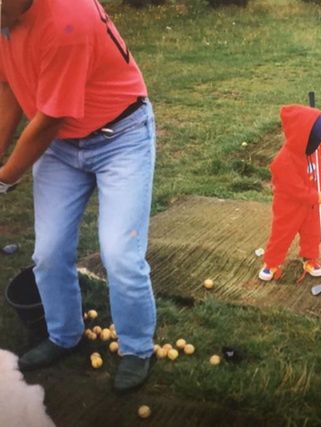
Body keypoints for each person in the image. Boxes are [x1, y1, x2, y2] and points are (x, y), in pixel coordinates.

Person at [0, 0, 156, 392]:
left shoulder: (68, 18)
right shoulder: (6, 16)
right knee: (48, 252)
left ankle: (137, 348)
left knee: (120, 252)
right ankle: (63, 334)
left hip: (121, 136)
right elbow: (8, 86)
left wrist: (6, 177)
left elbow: (51, 117)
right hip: (61, 147)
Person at [259, 104, 321, 282]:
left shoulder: (312, 150)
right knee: (282, 234)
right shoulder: (283, 161)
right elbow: (293, 188)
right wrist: (314, 196)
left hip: (310, 205)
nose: (319, 141)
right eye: (317, 136)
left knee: (313, 233)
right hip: (289, 206)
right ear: (304, 137)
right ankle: (271, 263)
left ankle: (310, 259)